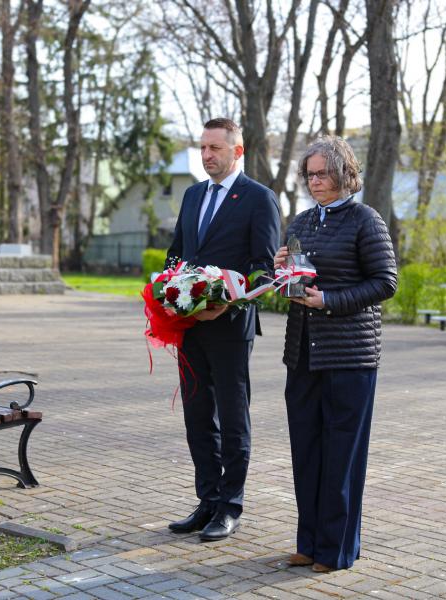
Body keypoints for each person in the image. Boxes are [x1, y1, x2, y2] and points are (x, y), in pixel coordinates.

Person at [274, 136, 397, 572]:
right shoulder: (302, 222)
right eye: (309, 174)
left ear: (345, 173)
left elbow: (385, 282)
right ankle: (309, 544)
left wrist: (328, 300)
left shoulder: (366, 220)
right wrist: (281, 273)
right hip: (303, 354)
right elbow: (296, 282)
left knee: (342, 455)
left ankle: (336, 550)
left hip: (349, 355)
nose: (314, 181)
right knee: (306, 451)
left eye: (322, 173)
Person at [166, 118, 281, 541]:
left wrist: (224, 303)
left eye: (215, 147)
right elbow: (176, 254)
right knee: (198, 417)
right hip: (190, 326)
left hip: (230, 327)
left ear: (238, 150)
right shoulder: (193, 195)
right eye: (203, 147)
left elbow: (264, 269)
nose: (207, 155)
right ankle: (208, 501)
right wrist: (171, 293)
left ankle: (230, 506)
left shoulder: (259, 198)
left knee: (232, 419)